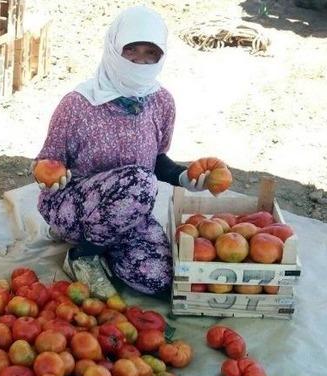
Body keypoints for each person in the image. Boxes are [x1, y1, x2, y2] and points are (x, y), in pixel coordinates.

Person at [33, 5, 223, 298]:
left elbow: (156, 159)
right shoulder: (78, 105)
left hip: (127, 212)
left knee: (159, 281)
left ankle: (104, 247)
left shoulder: (161, 102)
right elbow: (49, 160)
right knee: (141, 182)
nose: (140, 60)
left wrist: (183, 177)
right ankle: (82, 256)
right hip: (73, 206)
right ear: (113, 48)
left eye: (151, 53)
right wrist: (49, 176)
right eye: (131, 50)